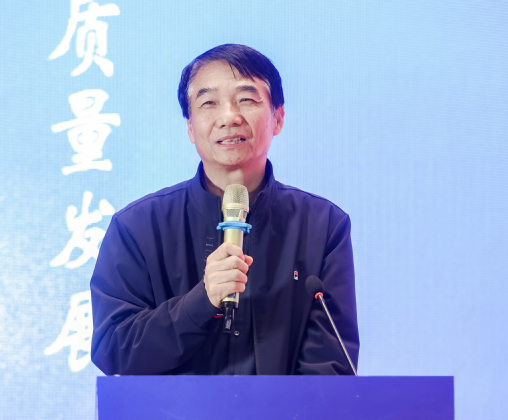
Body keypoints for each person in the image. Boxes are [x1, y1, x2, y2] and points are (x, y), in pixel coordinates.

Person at [90, 44, 359, 375]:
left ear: (278, 118)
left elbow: (330, 368)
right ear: (190, 127)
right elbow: (113, 349)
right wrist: (200, 302)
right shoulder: (137, 228)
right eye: (209, 103)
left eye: (246, 99)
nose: (229, 117)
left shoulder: (322, 226)